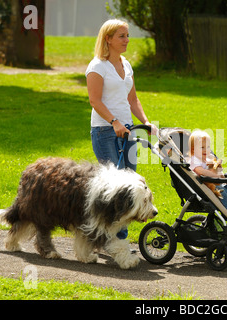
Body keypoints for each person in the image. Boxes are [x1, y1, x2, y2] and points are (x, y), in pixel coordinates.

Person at [85, 19, 157, 239]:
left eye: (127, 36)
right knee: (115, 188)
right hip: (105, 131)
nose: (127, 40)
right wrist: (114, 121)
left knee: (130, 184)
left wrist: (145, 121)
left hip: (128, 131)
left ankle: (115, 236)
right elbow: (95, 101)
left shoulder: (125, 64)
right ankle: (116, 238)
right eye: (121, 36)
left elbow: (133, 99)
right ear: (108, 38)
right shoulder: (97, 66)